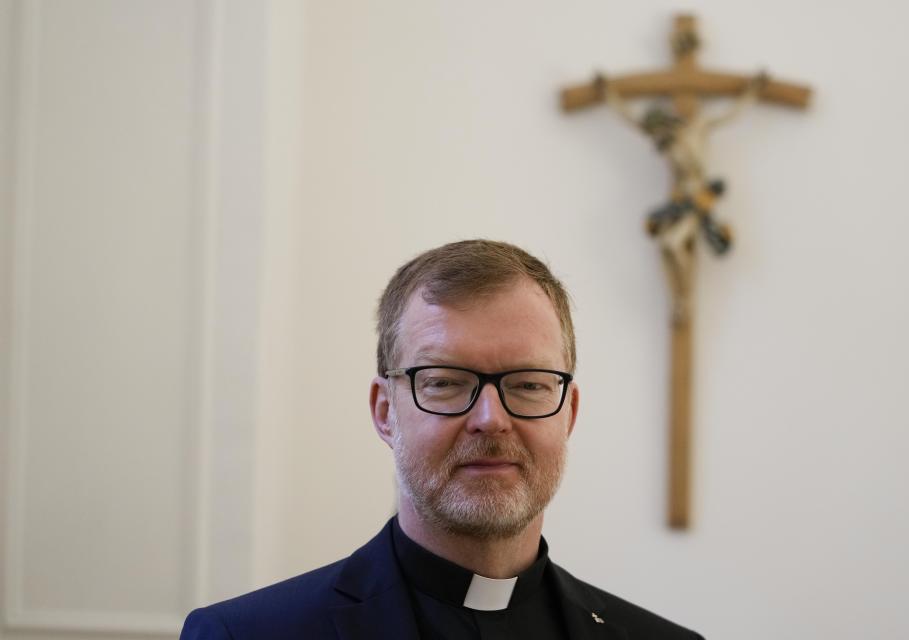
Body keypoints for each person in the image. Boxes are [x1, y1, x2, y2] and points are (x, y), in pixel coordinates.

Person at [181, 239, 704, 639]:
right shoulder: (246, 635)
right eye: (446, 383)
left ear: (568, 413)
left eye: (527, 385)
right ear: (385, 412)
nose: (490, 419)